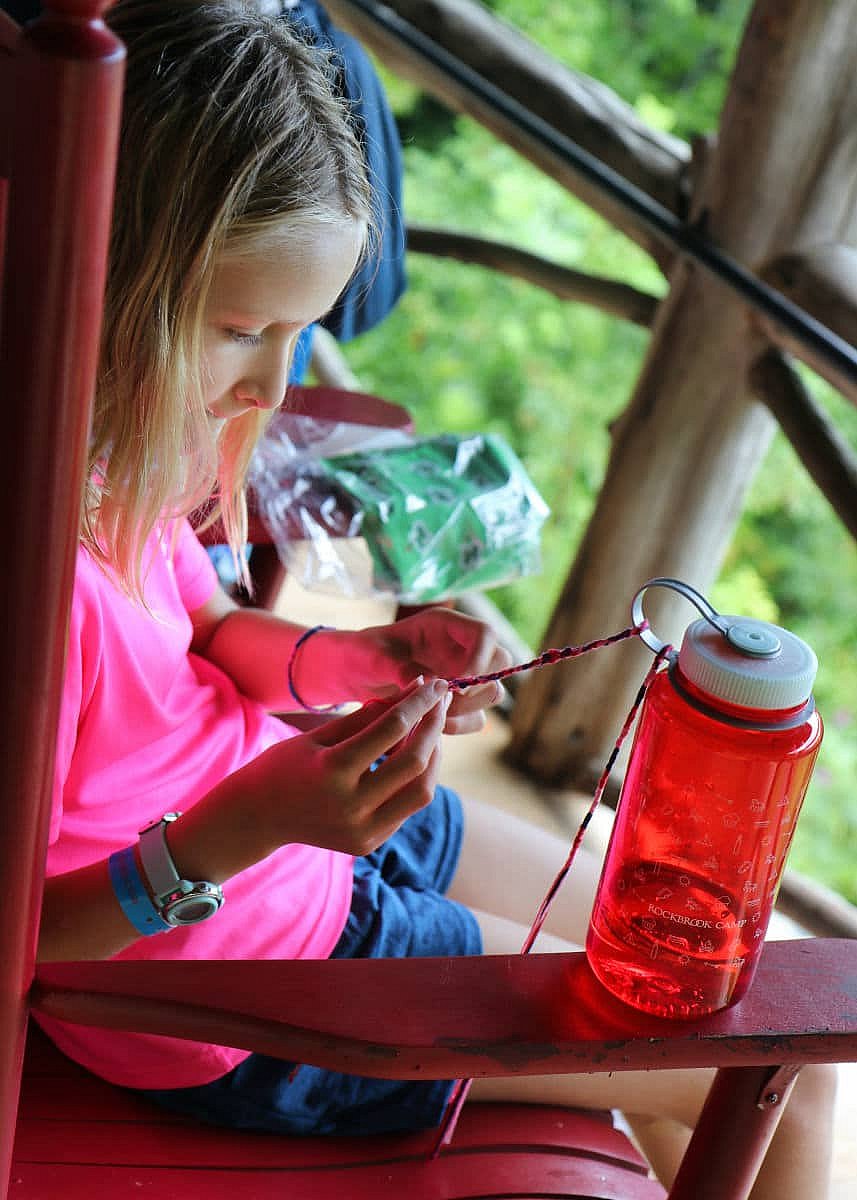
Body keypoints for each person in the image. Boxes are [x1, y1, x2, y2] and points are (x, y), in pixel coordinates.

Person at [35, 2, 836, 1195]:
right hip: (227, 976)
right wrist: (243, 827)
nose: (267, 385)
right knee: (788, 1079)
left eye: (297, 335)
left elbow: (204, 635)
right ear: (109, 277)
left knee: (708, 961)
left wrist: (351, 664)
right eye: (241, 329)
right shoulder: (34, 585)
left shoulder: (106, 446)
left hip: (286, 842)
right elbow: (27, 945)